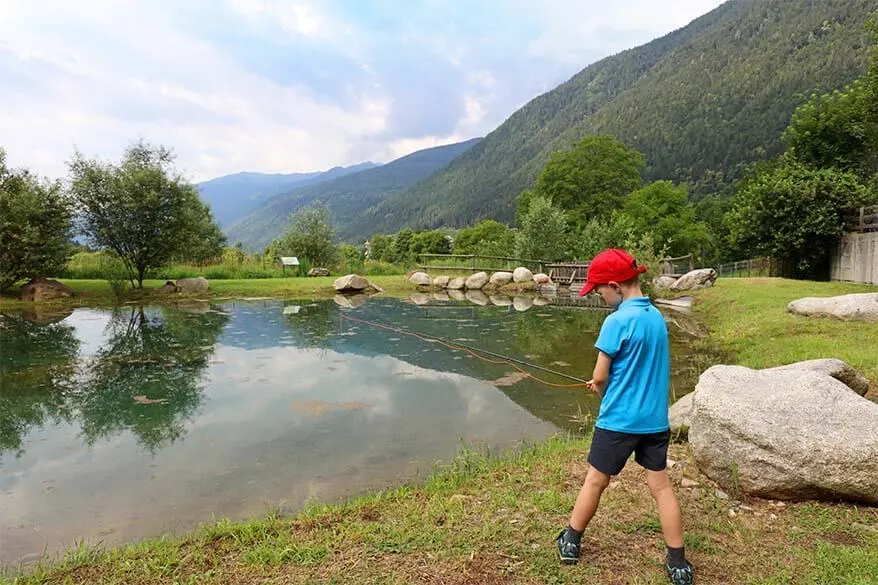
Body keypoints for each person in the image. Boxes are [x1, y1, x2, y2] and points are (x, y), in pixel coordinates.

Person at [555, 248, 694, 585]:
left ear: (616, 286)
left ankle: (571, 540)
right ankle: (678, 563)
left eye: (599, 290)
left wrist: (602, 391)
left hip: (618, 422)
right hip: (655, 422)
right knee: (661, 488)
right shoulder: (656, 317)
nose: (599, 296)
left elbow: (600, 376)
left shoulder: (616, 321)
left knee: (595, 480)